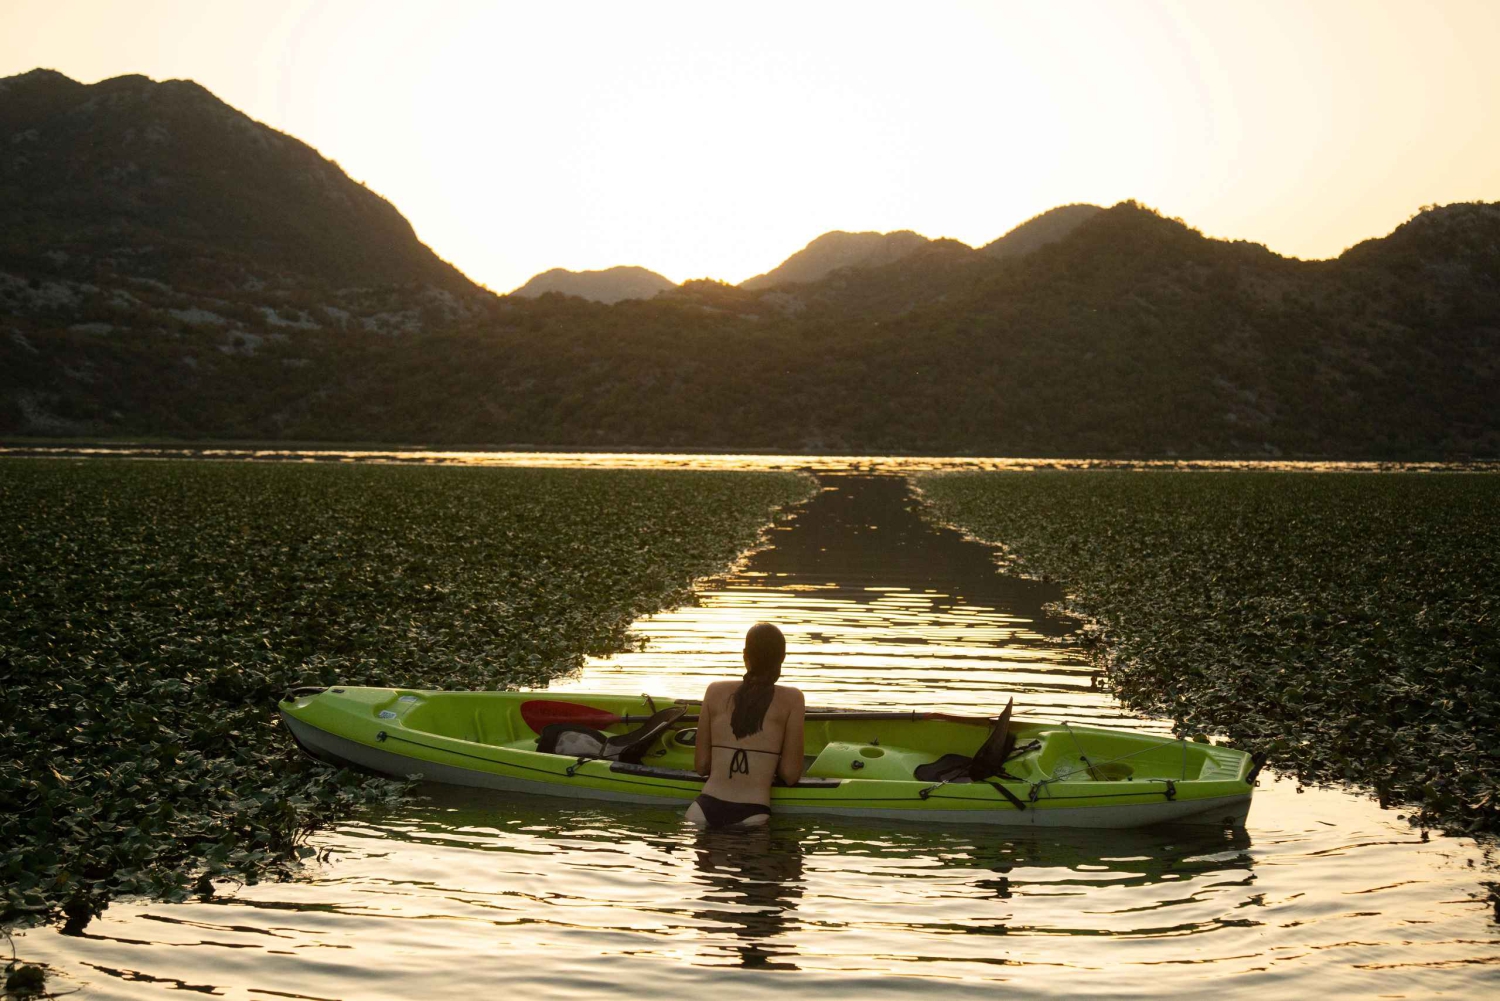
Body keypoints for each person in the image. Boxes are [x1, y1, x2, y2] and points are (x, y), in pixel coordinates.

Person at [687, 622, 806, 829]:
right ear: (782, 658)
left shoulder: (714, 691)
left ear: (745, 656)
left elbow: (702, 766)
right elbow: (790, 774)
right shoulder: (793, 699)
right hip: (752, 815)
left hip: (702, 809)